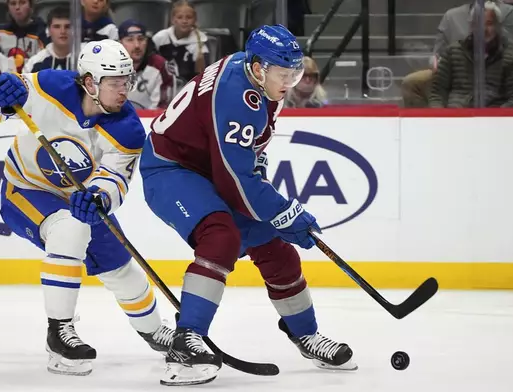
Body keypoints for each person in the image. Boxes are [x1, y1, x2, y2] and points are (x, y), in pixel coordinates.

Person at [139, 24, 357, 386]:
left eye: (295, 73)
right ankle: (186, 341)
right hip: (170, 169)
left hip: (209, 166)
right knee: (220, 236)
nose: (290, 81)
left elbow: (245, 159)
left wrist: (276, 215)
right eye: (284, 74)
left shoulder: (264, 79)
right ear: (258, 68)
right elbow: (234, 179)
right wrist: (285, 211)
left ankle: (305, 334)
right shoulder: (237, 95)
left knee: (274, 245)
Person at [0, 39, 174, 376]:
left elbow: (115, 179)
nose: (125, 90)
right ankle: (58, 333)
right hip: (24, 190)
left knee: (122, 270)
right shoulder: (49, 86)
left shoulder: (129, 129)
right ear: (90, 82)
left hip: (75, 198)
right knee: (69, 227)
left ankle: (155, 332)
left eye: (128, 81)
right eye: (116, 82)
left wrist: (100, 196)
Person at [429, 1, 513, 107]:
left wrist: (497, 117)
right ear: (471, 26)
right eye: (478, 24)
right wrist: (441, 119)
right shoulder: (452, 52)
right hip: (455, 116)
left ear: (498, 27)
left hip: (493, 118)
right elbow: (437, 93)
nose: (483, 29)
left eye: (489, 24)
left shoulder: (510, 57)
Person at [118, 19, 174, 109]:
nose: (137, 45)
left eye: (141, 39)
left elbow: (162, 109)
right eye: (130, 40)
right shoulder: (109, 67)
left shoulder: (160, 66)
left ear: (147, 41)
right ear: (120, 43)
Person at [0, 0, 48, 73]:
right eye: (13, 4)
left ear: (31, 6)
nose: (17, 7)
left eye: (22, 3)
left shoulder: (42, 33)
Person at [23, 7, 74, 72]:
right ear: (48, 31)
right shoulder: (35, 62)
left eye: (67, 27)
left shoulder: (85, 58)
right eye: (57, 27)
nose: (63, 31)